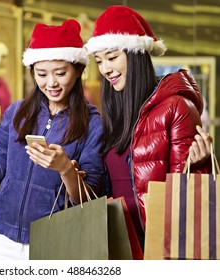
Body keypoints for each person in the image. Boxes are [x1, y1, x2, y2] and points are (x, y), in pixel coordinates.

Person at [0, 19, 105, 260]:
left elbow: (88, 199)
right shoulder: (17, 112)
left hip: (52, 241)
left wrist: (65, 169)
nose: (50, 83)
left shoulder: (92, 124)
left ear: (78, 71)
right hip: (0, 238)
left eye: (60, 73)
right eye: (41, 74)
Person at [84, 5, 213, 250]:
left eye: (112, 58)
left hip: (158, 245)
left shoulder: (177, 107)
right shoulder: (113, 112)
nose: (105, 69)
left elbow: (186, 194)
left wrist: (198, 165)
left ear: (135, 54)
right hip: (117, 241)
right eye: (99, 61)